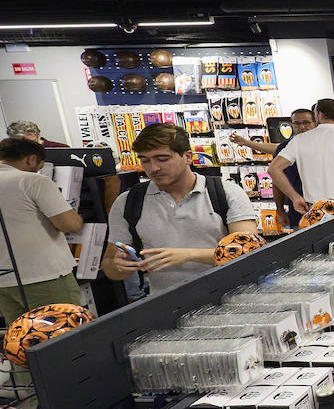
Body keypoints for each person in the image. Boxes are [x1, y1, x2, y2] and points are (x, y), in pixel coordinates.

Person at [103, 124, 258, 295]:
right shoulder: (127, 202)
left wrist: (188, 255)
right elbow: (110, 266)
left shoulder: (226, 193)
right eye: (145, 160)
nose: (153, 168)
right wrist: (119, 266)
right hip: (167, 305)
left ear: (188, 157)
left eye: (162, 159)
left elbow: (248, 251)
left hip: (231, 298)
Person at [0, 138, 83, 322]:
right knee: (65, 335)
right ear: (31, 159)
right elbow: (70, 224)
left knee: (23, 342)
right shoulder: (33, 181)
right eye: (39, 165)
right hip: (42, 275)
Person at [268, 99, 334, 213]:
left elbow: (273, 169)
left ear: (319, 115)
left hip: (314, 210)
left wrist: (295, 198)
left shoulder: (300, 140)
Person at [233, 107, 315, 226]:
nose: (302, 127)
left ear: (315, 123)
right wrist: (280, 210)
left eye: (306, 123)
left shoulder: (327, 146)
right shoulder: (285, 148)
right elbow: (276, 181)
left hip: (327, 207)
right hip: (299, 211)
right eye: (297, 123)